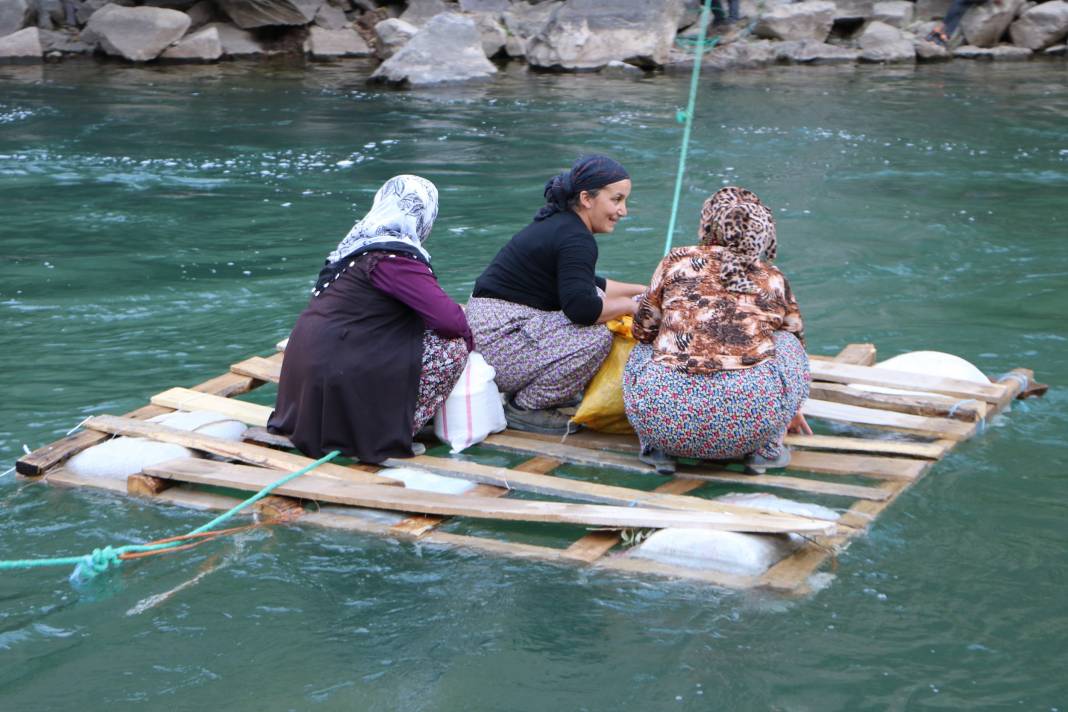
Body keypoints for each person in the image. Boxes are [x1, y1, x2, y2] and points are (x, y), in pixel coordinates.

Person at [267, 175, 472, 464]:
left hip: (302, 397)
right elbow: (450, 322)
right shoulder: (394, 258)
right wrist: (471, 342)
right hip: (337, 374)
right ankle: (386, 434)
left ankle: (368, 418)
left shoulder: (353, 247)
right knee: (452, 348)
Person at [623, 186, 811, 475]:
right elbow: (795, 342)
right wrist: (789, 405)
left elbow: (643, 330)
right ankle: (765, 450)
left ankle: (657, 448)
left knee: (645, 345)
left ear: (708, 223)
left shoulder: (676, 261)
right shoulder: (773, 278)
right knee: (788, 341)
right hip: (748, 427)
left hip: (665, 424)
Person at [466, 155, 648, 435]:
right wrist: (631, 307)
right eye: (616, 200)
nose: (623, 211)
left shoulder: (564, 225)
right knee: (598, 333)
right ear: (587, 198)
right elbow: (582, 310)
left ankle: (549, 389)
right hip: (499, 342)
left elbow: (591, 284)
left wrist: (643, 291)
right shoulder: (577, 238)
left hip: (486, 333)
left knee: (596, 295)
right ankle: (526, 407)